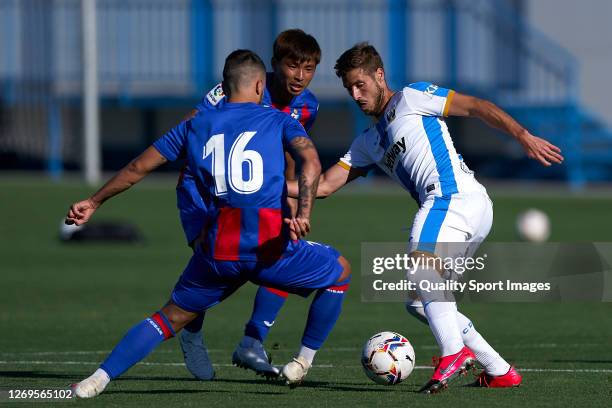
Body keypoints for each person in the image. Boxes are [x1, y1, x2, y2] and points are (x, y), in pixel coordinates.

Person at [67, 49, 351, 398]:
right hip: (268, 251)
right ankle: (301, 362)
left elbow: (138, 169)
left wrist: (93, 201)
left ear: (224, 86)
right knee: (340, 271)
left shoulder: (195, 123)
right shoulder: (280, 121)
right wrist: (303, 213)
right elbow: (309, 162)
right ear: (261, 85)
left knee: (166, 318)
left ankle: (98, 378)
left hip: (219, 250)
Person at [288, 43, 563, 393]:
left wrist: (522, 135)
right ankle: (500, 370)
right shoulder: (368, 142)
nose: (356, 94)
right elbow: (324, 185)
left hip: (453, 198)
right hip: (461, 212)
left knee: (422, 267)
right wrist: (268, 190)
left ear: (379, 75)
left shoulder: (413, 97)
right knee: (422, 302)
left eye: (361, 84)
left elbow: (477, 106)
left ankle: (453, 353)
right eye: (349, 89)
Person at [177, 29, 322, 380]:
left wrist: (290, 205)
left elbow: (290, 158)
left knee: (286, 249)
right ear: (274, 66)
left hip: (260, 195)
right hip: (207, 193)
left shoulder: (308, 106)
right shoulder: (236, 90)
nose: (300, 76)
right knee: (212, 264)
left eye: (309, 68)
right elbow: (192, 133)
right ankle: (191, 329)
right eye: (293, 66)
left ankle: (253, 341)